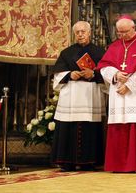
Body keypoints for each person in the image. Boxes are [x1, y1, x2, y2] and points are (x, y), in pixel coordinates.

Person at [97, 16, 136, 172]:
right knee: (119, 129)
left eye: (125, 32)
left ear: (134, 28)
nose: (122, 35)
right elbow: (104, 67)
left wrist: (130, 86)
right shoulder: (114, 46)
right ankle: (118, 165)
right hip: (118, 93)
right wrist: (116, 75)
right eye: (119, 32)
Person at [51, 21, 105, 171]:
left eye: (83, 32)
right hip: (71, 95)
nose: (80, 35)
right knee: (68, 127)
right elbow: (57, 75)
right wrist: (70, 74)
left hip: (90, 95)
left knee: (90, 128)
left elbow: (107, 74)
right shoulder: (66, 53)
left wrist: (93, 74)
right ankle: (66, 162)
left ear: (89, 33)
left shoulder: (99, 52)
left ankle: (89, 161)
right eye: (77, 32)